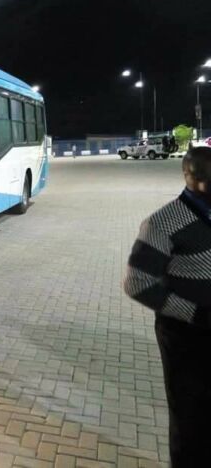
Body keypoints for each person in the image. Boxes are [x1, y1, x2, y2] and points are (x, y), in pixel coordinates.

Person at [123, 146, 211, 467]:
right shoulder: (163, 222)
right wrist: (196, 314)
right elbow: (138, 283)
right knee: (191, 420)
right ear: (191, 177)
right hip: (186, 338)